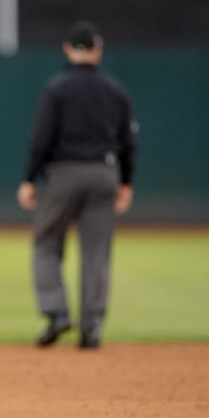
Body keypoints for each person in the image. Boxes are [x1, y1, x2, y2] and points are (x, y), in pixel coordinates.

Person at [16, 20, 137, 350]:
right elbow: (128, 141)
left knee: (46, 242)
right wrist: (126, 181)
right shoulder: (116, 90)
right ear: (98, 51)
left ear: (68, 50)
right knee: (97, 253)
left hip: (64, 173)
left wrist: (29, 178)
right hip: (104, 173)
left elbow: (41, 138)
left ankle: (56, 313)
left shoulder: (57, 88)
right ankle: (92, 329)